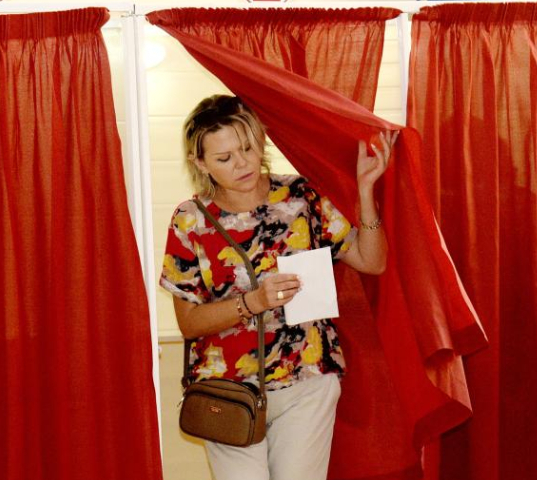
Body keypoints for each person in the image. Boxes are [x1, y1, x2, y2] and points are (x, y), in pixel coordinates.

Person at [160, 94, 397, 480]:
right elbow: (189, 323)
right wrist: (253, 301)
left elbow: (373, 261)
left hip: (307, 379)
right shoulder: (190, 221)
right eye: (224, 158)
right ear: (199, 163)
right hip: (229, 392)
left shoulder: (301, 196)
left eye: (248, 148)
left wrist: (366, 192)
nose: (242, 164)